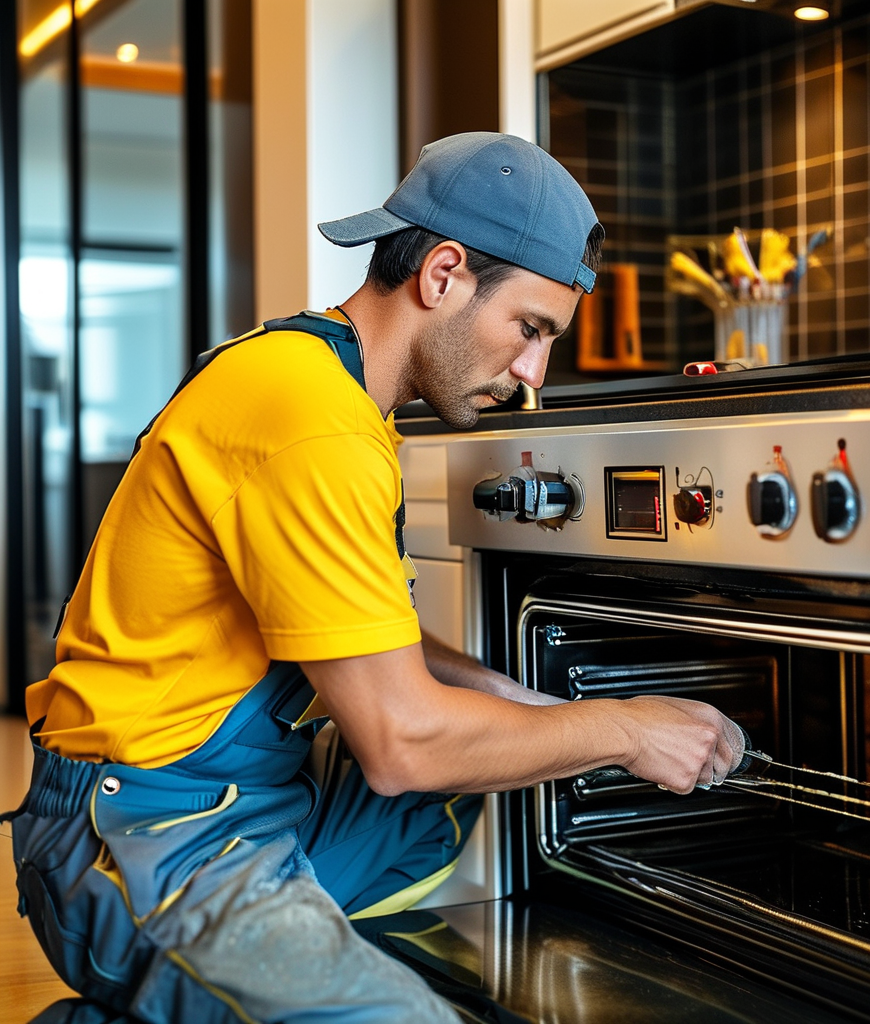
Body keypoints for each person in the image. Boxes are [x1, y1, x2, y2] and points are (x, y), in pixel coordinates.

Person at [4, 133, 746, 1024]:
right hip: (144, 835)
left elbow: (368, 640)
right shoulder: (315, 424)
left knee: (480, 776)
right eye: (531, 329)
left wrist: (529, 705)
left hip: (239, 799)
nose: (533, 375)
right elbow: (402, 746)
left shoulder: (326, 383)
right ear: (442, 274)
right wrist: (625, 731)